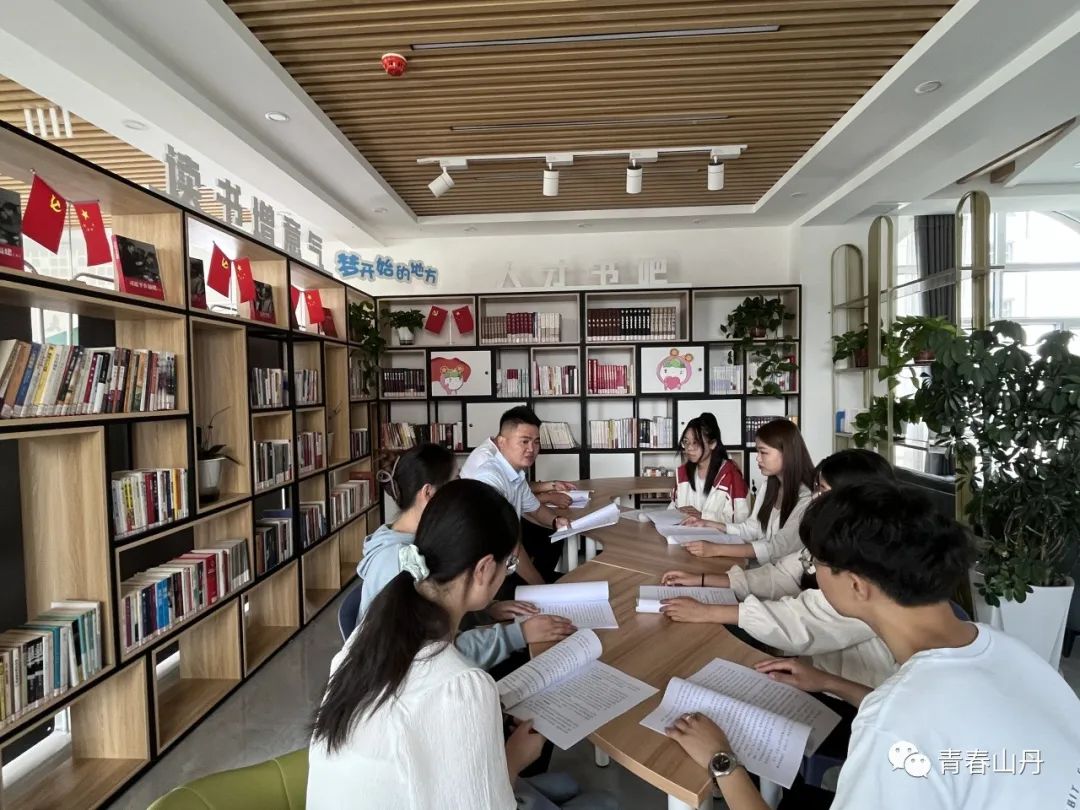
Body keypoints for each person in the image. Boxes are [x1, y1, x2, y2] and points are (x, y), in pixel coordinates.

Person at [665, 481, 1080, 810]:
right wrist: (832, 683)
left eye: (815, 564)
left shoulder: (896, 724)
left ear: (856, 585)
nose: (812, 574)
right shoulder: (1018, 654)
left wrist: (721, 759)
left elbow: (910, 725)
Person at [308, 479, 614, 810]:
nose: (507, 574)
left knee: (570, 789)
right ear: (483, 569)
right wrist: (515, 757)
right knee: (604, 804)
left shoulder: (364, 639)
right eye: (509, 565)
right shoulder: (462, 687)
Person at [660, 449, 897, 688]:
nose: (814, 497)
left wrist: (708, 612)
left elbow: (805, 621)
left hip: (853, 694)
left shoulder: (875, 565)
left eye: (823, 490)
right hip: (818, 675)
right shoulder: (836, 537)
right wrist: (704, 579)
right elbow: (783, 574)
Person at [358, 444, 575, 670]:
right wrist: (518, 634)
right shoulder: (397, 562)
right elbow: (432, 656)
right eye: (456, 480)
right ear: (428, 493)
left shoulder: (425, 538)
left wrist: (485, 611)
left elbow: (441, 605)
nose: (462, 485)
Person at [461, 406, 573, 585]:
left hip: (505, 558)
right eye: (524, 441)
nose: (531, 449)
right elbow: (508, 546)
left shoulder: (516, 474)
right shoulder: (490, 478)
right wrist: (540, 586)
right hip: (487, 574)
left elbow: (535, 510)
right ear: (501, 442)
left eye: (536, 442)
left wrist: (555, 521)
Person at [678, 417, 814, 563]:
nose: (758, 459)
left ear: (786, 453)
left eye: (763, 452)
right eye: (757, 452)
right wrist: (707, 523)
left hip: (782, 574)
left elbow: (777, 548)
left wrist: (716, 549)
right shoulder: (769, 485)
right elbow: (752, 529)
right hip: (766, 569)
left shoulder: (806, 499)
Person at [669, 412, 749, 526]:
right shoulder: (683, 473)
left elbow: (741, 522)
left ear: (713, 444)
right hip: (685, 534)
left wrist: (703, 516)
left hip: (717, 537)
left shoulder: (731, 475)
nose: (689, 448)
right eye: (686, 442)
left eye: (696, 442)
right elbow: (673, 509)